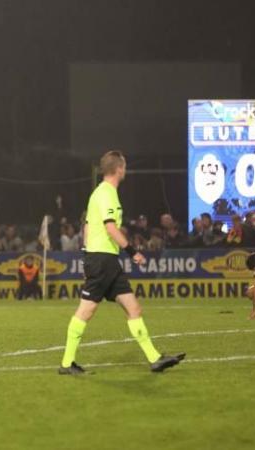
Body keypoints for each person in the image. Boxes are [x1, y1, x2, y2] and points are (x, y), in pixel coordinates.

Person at [58, 150, 184, 375]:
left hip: (105, 259)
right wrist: (132, 251)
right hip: (102, 259)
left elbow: (87, 226)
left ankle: (155, 359)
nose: (125, 170)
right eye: (124, 166)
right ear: (118, 168)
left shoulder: (100, 193)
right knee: (86, 311)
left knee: (133, 307)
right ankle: (67, 363)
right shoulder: (106, 192)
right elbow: (110, 227)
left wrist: (87, 256)